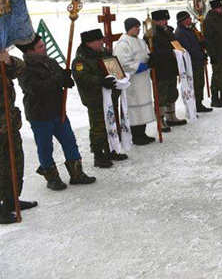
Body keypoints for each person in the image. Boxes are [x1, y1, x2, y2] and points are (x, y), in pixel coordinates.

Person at [16, 36, 95, 190]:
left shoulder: (50, 62)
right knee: (45, 147)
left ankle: (77, 173)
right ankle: (52, 178)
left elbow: (62, 78)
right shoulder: (24, 69)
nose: (44, 48)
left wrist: (67, 79)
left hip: (58, 111)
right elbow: (36, 88)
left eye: (43, 45)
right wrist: (60, 78)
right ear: (30, 51)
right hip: (40, 114)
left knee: (69, 141)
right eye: (40, 47)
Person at [72, 29, 127, 167]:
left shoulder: (104, 53)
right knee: (99, 127)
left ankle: (112, 149)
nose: (102, 42)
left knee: (113, 124)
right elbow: (83, 78)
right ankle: (98, 155)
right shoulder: (81, 60)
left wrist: (120, 76)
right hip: (95, 99)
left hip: (110, 96)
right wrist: (102, 81)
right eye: (98, 40)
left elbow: (113, 67)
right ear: (89, 43)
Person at [0, 49, 37, 223]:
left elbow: (20, 69)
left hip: (10, 122)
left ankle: (12, 199)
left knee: (15, 161)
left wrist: (8, 61)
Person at [114, 18, 158, 145]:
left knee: (142, 107)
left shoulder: (141, 41)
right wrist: (144, 66)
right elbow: (124, 65)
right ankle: (135, 135)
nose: (138, 29)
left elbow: (145, 55)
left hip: (143, 81)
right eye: (135, 27)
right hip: (132, 82)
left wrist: (151, 59)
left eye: (139, 27)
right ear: (128, 28)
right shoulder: (123, 44)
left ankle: (142, 132)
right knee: (135, 108)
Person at [149, 10, 186, 123]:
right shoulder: (151, 34)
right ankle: (160, 120)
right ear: (155, 21)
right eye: (163, 20)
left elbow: (176, 43)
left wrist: (179, 51)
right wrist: (170, 53)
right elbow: (154, 51)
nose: (166, 21)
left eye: (166, 19)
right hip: (160, 69)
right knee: (161, 96)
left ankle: (171, 116)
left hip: (171, 67)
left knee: (172, 93)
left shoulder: (169, 31)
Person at [173, 12, 213, 113]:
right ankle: (194, 104)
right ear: (183, 20)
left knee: (200, 83)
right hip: (191, 63)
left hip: (197, 61)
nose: (191, 19)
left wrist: (201, 44)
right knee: (195, 84)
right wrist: (200, 55)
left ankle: (199, 102)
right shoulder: (180, 33)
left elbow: (194, 44)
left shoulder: (189, 29)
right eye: (189, 18)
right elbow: (188, 49)